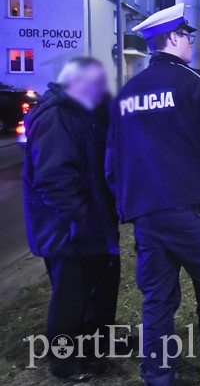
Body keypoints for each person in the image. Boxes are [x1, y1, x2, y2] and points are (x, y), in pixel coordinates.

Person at [105, 4, 200, 386]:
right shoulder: (199, 84)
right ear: (172, 38)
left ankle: (157, 377)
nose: (192, 41)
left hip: (148, 216)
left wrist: (130, 206)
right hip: (196, 214)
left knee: (157, 301)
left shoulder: (125, 95)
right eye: (187, 35)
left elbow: (113, 164)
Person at [23, 57, 119, 383]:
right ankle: (64, 363)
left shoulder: (82, 112)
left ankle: (93, 351)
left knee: (98, 293)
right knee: (70, 300)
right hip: (68, 232)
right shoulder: (55, 116)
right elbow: (53, 180)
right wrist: (81, 219)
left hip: (91, 225)